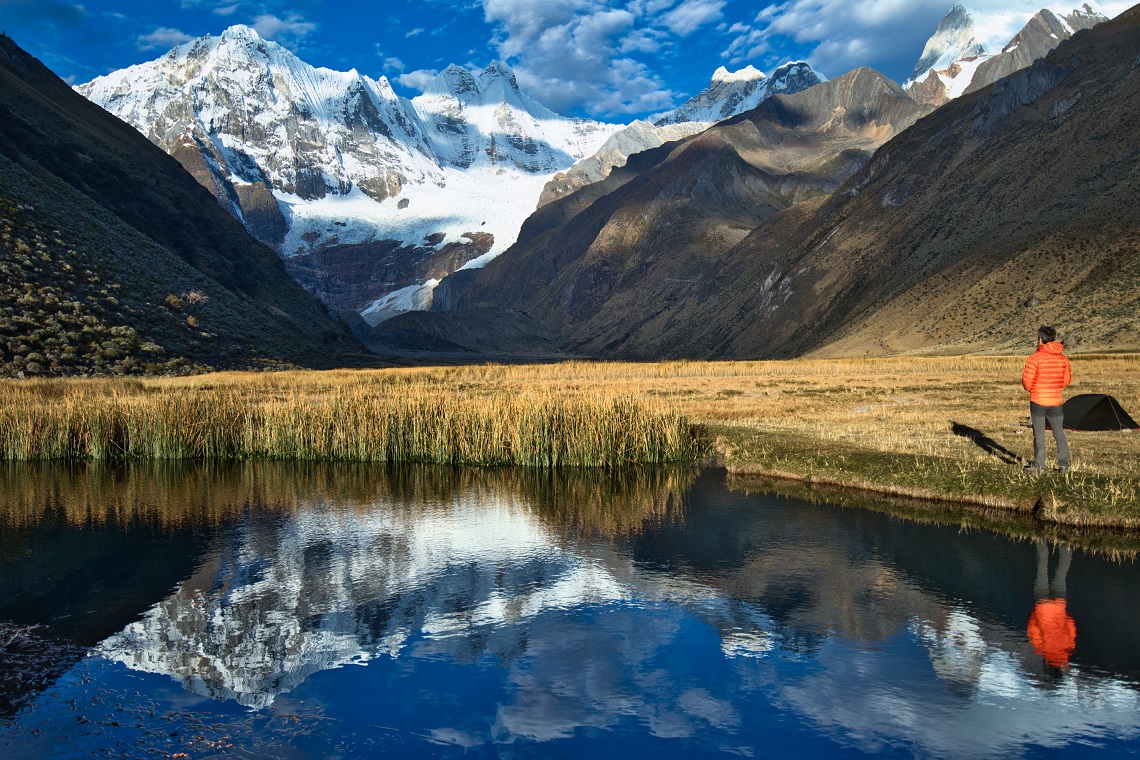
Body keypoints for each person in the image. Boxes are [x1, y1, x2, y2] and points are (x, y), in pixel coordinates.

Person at [1021, 326, 1071, 474]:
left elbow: (1027, 383)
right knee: (1058, 432)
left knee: (1039, 433)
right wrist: (1054, 387)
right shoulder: (1063, 358)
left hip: (1038, 400)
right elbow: (1066, 380)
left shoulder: (1034, 358)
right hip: (1056, 400)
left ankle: (1040, 465)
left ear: (1040, 340)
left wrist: (1036, 388)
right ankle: (1064, 464)